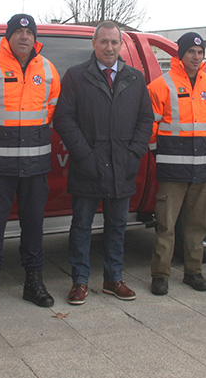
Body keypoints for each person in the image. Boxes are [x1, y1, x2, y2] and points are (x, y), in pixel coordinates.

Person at [0, 14, 61, 314]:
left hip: (34, 166)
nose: (24, 37)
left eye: (29, 32)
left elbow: (50, 109)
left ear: (35, 38)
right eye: (18, 31)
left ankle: (34, 282)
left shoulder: (47, 70)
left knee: (34, 226)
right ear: (8, 36)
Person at [54, 21, 153, 305]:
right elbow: (64, 119)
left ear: (120, 45)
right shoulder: (75, 77)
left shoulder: (135, 78)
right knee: (82, 226)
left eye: (114, 42)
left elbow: (146, 119)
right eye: (104, 42)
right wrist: (85, 155)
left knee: (117, 226)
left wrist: (135, 152)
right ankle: (80, 281)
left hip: (123, 165)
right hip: (88, 165)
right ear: (94, 44)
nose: (109, 47)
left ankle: (113, 279)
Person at [147, 32, 206, 294]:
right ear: (180, 54)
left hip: (203, 170)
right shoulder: (161, 85)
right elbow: (149, 126)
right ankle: (160, 275)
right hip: (172, 171)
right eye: (191, 51)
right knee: (166, 225)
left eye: (200, 52)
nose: (196, 56)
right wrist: (160, 153)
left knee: (198, 225)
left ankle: (194, 272)